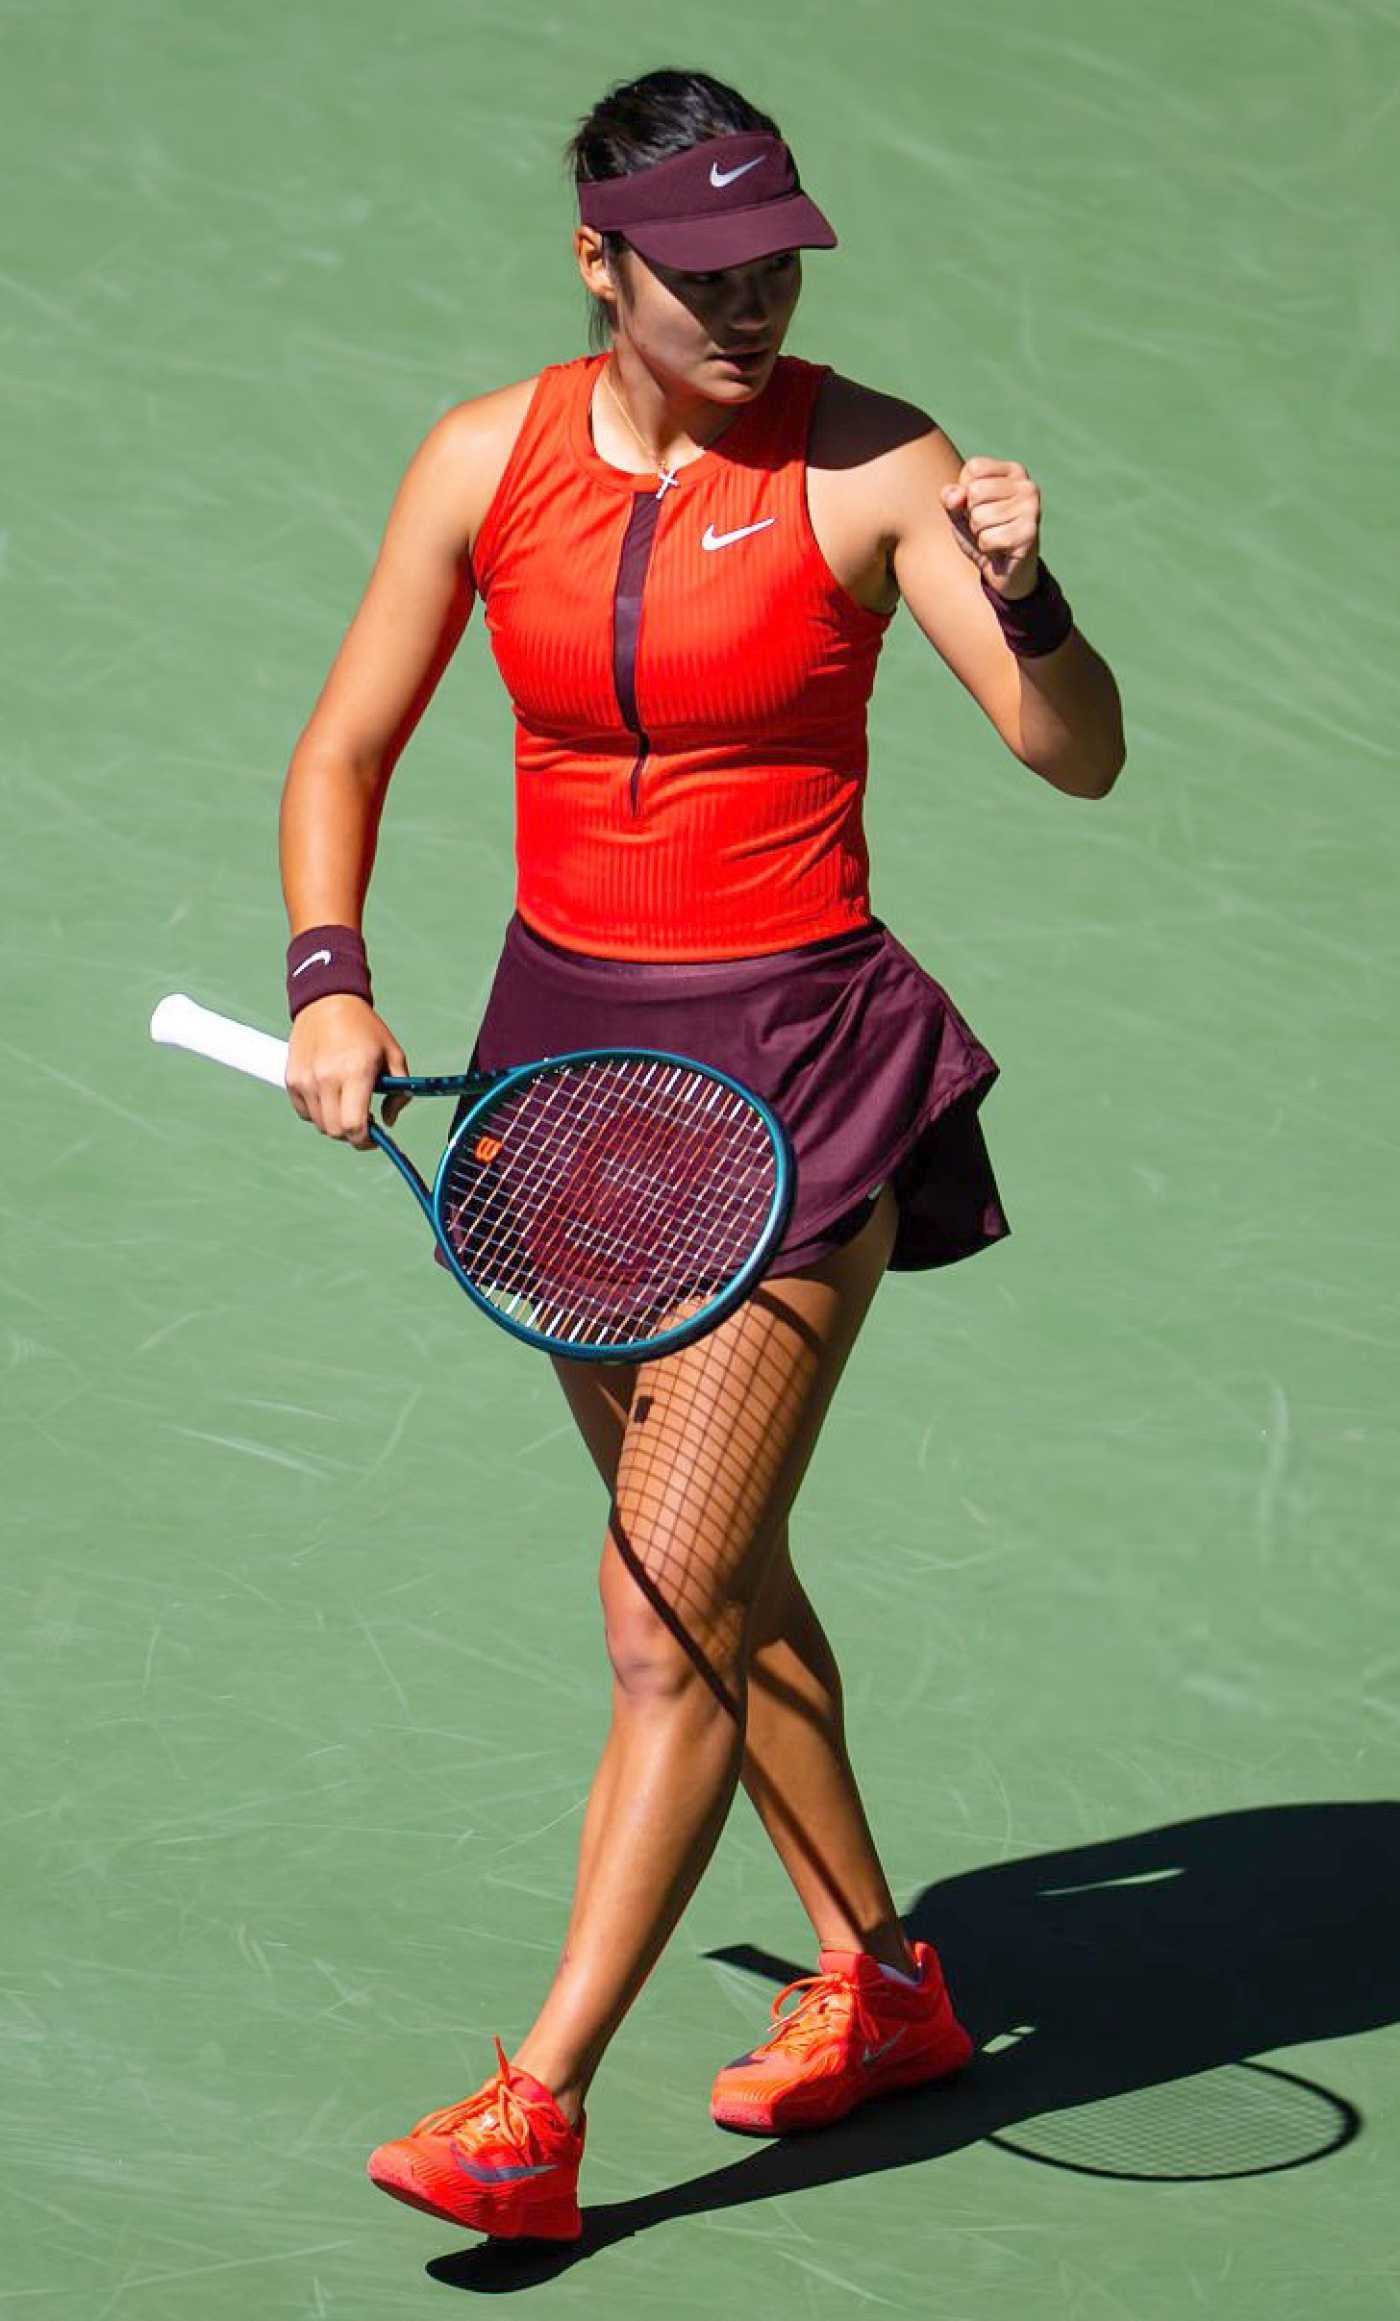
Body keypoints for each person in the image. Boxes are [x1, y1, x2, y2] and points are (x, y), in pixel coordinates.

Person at [278, 68, 1126, 2244]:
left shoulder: (877, 463)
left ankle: (532, 2111)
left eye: (777, 262)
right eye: (701, 269)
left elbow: (1075, 761)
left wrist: (1027, 600)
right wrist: (329, 979)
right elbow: (351, 735)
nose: (750, 301)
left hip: (796, 1074)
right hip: (565, 1084)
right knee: (724, 1594)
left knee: (658, 1612)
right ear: (598, 258)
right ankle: (888, 1989)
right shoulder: (487, 459)